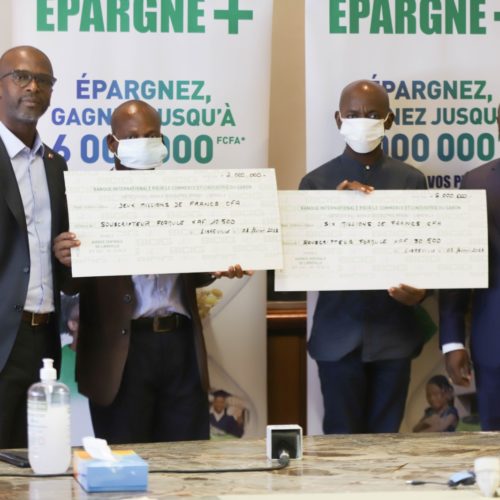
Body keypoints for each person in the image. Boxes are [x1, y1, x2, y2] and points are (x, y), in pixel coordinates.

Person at [53, 100, 251, 444]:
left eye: (151, 135)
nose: (143, 143)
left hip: (180, 347)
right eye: (133, 137)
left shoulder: (186, 197)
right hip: (121, 352)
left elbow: (195, 270)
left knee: (187, 462)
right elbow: (71, 284)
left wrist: (220, 265)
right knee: (124, 464)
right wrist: (64, 258)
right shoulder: (86, 199)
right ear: (112, 143)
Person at [300, 79, 428, 434]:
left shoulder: (411, 181)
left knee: (387, 443)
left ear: (388, 120)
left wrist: (421, 293)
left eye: (372, 115)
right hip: (337, 338)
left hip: (395, 336)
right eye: (353, 114)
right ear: (338, 119)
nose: (362, 121)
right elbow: (303, 260)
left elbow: (427, 253)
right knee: (341, 444)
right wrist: (334, 214)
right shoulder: (315, 184)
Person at [0, 46, 69, 448]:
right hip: (2, 338)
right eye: (21, 77)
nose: (32, 87)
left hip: (43, 339)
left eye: (43, 80)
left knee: (41, 458)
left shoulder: (56, 166)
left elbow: (63, 266)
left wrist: (69, 257)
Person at [439, 104, 500, 431]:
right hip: (494, 341)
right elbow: (459, 263)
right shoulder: (477, 182)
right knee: (494, 446)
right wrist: (453, 341)